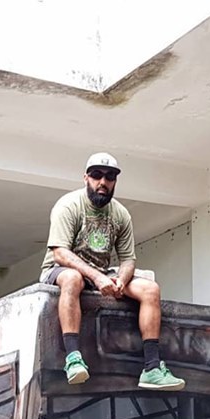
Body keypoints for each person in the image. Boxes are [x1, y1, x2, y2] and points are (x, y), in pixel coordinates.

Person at [40, 152, 185, 390]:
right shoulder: (69, 205)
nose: (103, 182)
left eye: (109, 177)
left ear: (115, 181)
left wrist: (121, 281)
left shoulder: (121, 214)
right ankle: (73, 358)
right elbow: (60, 253)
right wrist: (96, 277)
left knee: (150, 289)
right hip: (61, 270)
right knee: (73, 278)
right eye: (97, 175)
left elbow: (128, 259)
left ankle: (152, 368)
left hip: (102, 272)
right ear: (86, 178)